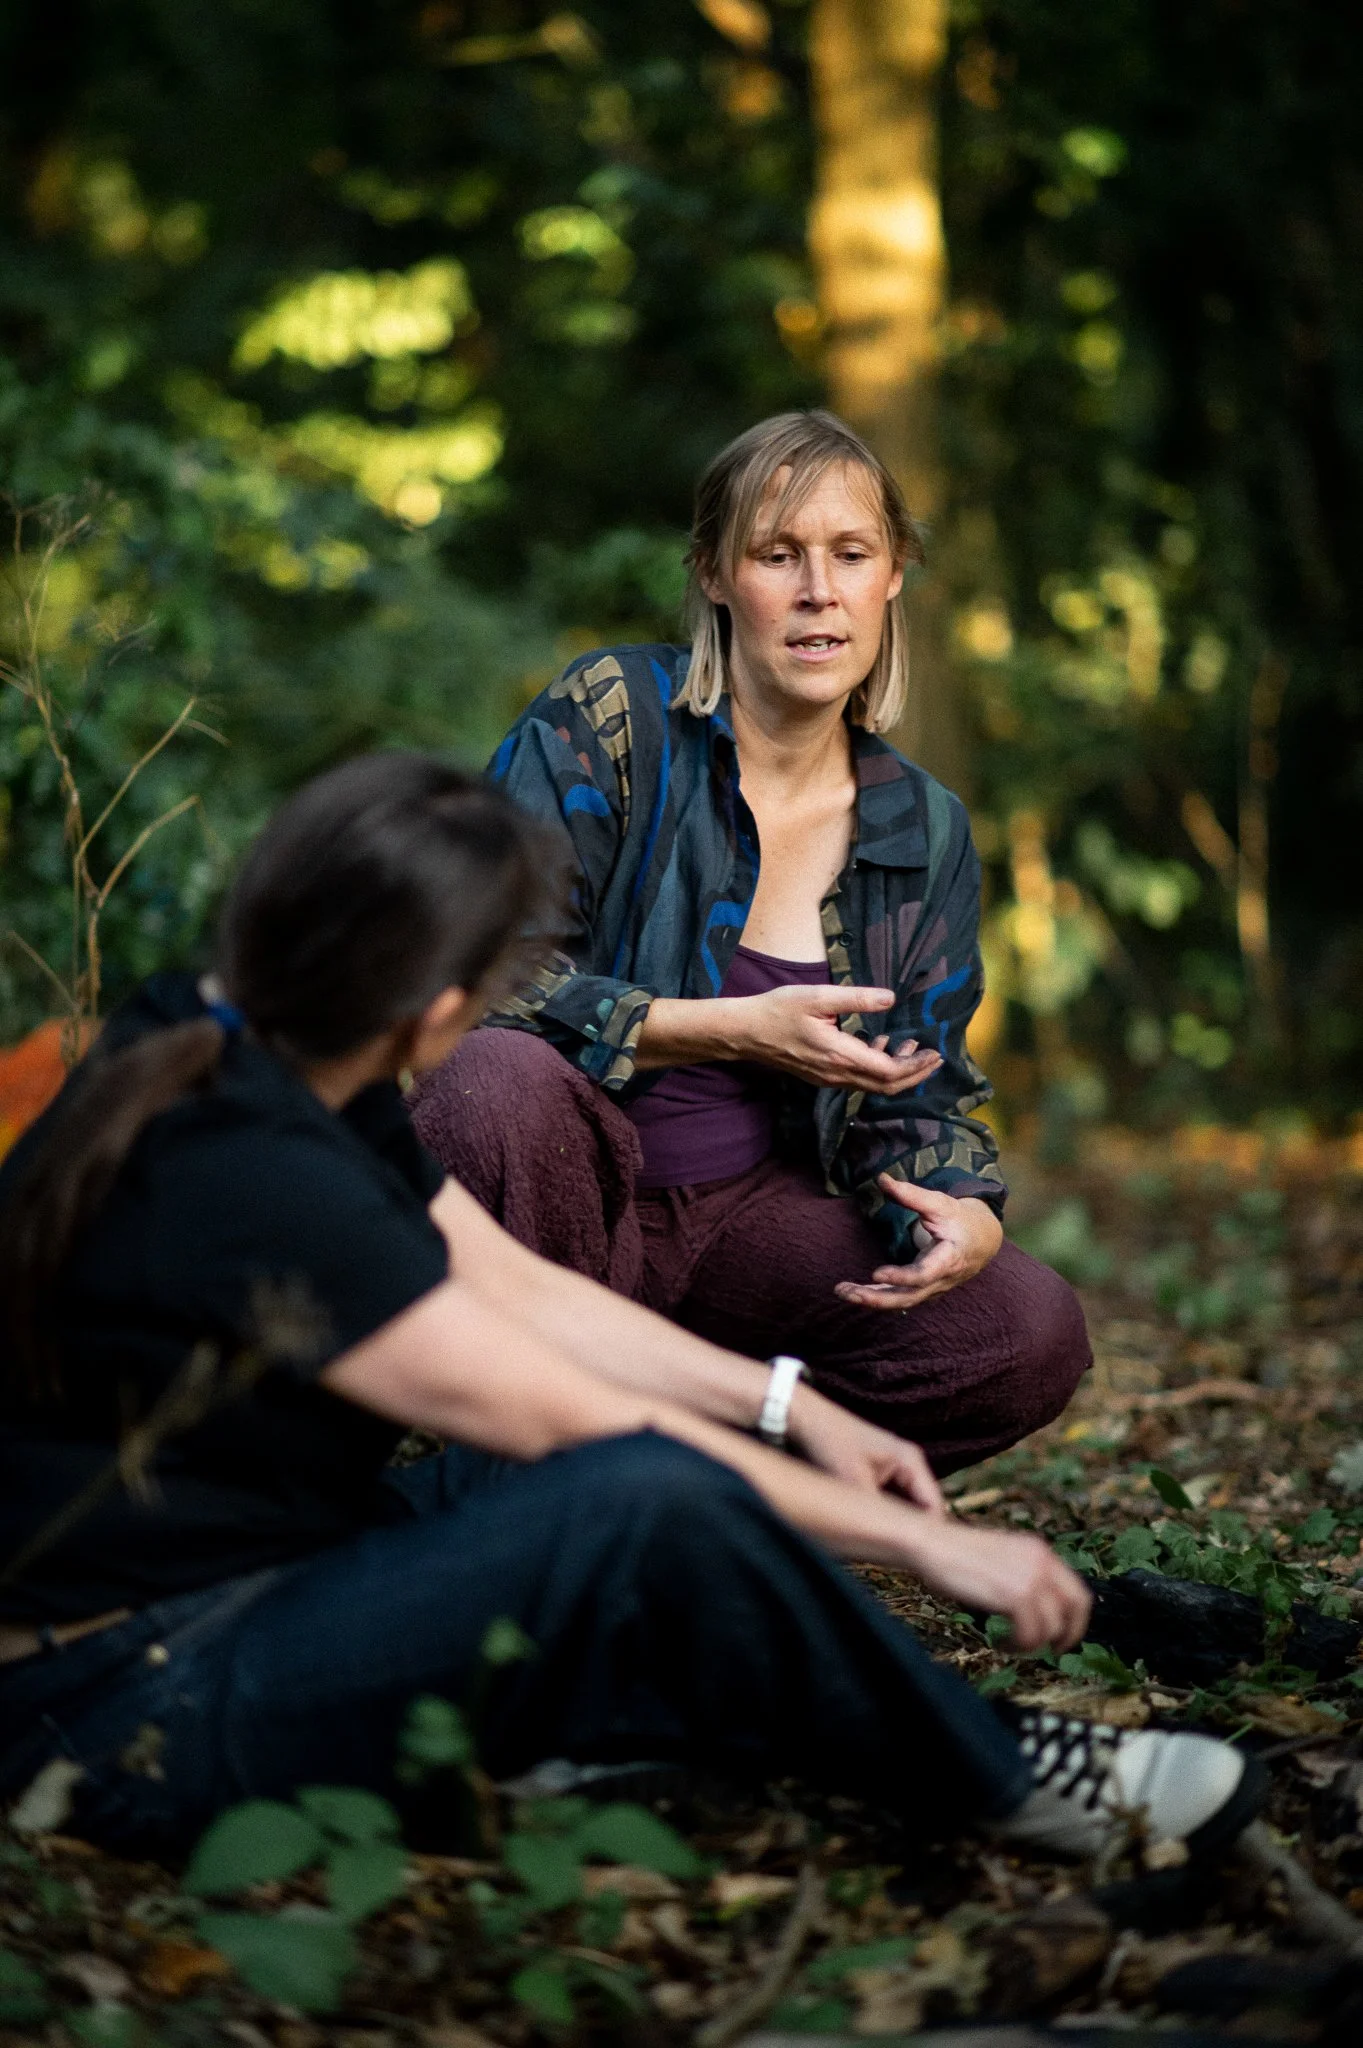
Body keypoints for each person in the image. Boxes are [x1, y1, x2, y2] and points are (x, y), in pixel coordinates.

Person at [0, 754, 1260, 1868]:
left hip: (255, 1565)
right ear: (436, 1009)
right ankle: (1005, 1775)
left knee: (524, 1499)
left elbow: (514, 1280)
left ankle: (613, 1722)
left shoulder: (229, 1031)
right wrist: (933, 1547)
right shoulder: (259, 1171)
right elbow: (589, 1427)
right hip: (118, 1695)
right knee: (632, 1496)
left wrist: (788, 1403)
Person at [412, 411, 1089, 1475]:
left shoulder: (925, 827)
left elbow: (918, 1092)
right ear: (716, 575)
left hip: (751, 1231)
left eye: (850, 554)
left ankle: (702, 1471)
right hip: (558, 1198)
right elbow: (473, 978)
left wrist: (959, 1205)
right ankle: (530, 1484)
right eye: (779, 554)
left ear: (892, 575)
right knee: (493, 1078)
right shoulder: (613, 718)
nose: (819, 589)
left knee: (1024, 1329)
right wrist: (722, 1028)